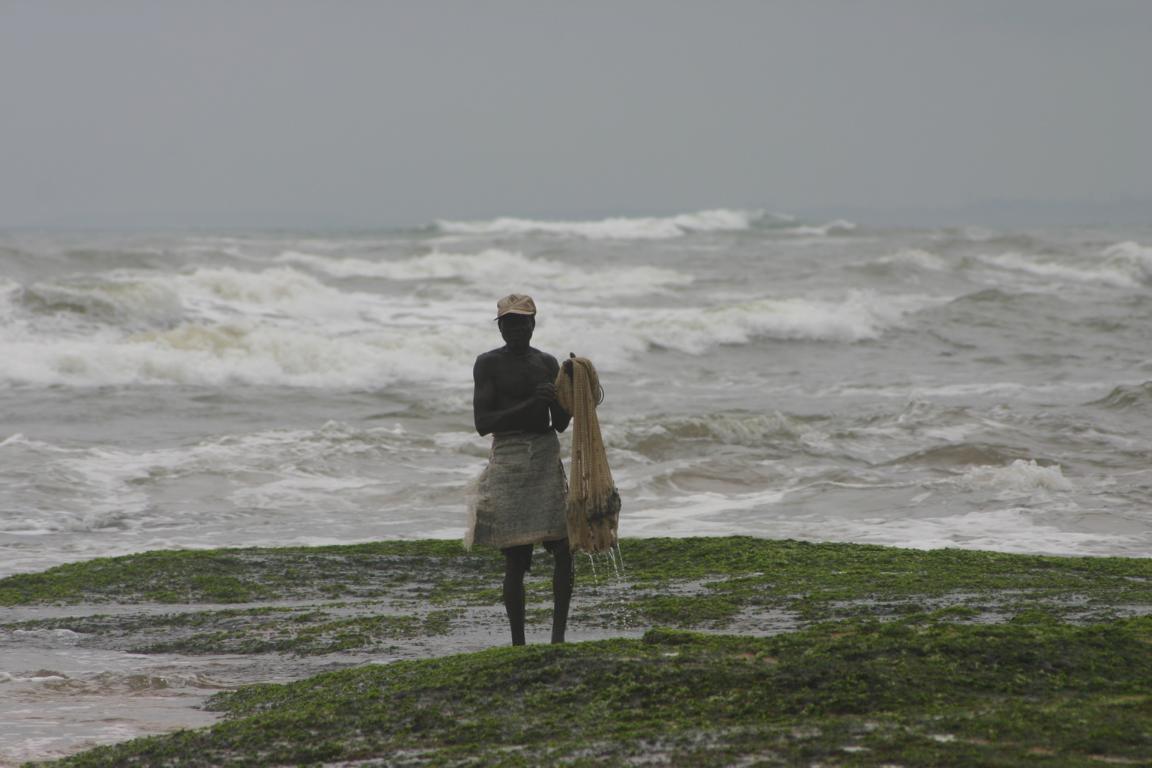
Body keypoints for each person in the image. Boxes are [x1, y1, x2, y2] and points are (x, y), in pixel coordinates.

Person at [468, 293, 573, 645]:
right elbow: (483, 423)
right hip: (509, 458)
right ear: (500, 327)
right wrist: (531, 402)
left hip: (544, 456)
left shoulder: (547, 363)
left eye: (522, 322)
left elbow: (560, 424)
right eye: (509, 323)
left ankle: (558, 639)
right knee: (516, 557)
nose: (515, 329)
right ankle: (518, 644)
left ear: (533, 323)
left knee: (564, 548)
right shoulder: (488, 364)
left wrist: (570, 390)